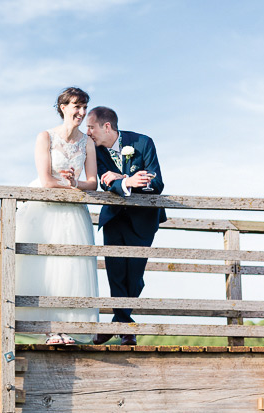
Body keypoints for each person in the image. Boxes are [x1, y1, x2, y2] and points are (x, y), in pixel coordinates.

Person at [0, 87, 99, 345]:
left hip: (72, 211)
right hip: (42, 207)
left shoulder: (87, 142)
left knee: (68, 268)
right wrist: (66, 185)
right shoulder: (45, 137)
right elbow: (46, 180)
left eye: (84, 107)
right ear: (63, 108)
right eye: (76, 106)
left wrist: (76, 184)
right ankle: (41, 329)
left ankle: (62, 327)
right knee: (38, 266)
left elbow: (93, 183)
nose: (81, 112)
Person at [86, 106, 166, 346]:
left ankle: (118, 322)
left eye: (91, 127)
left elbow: (157, 183)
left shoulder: (142, 142)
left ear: (106, 126)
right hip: (114, 217)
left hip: (143, 218)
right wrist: (125, 181)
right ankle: (126, 329)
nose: (87, 132)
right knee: (116, 273)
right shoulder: (95, 150)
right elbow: (105, 183)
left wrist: (124, 180)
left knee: (135, 276)